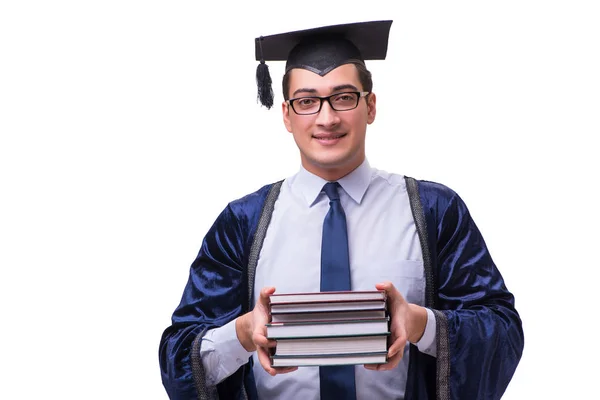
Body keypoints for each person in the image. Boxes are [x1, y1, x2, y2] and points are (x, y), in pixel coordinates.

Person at [159, 20, 524, 400]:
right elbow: (178, 355)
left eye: (344, 97)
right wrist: (244, 332)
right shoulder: (243, 223)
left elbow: (501, 330)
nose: (327, 118)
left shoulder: (434, 211)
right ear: (286, 114)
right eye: (307, 101)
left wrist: (420, 324)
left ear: (371, 106)